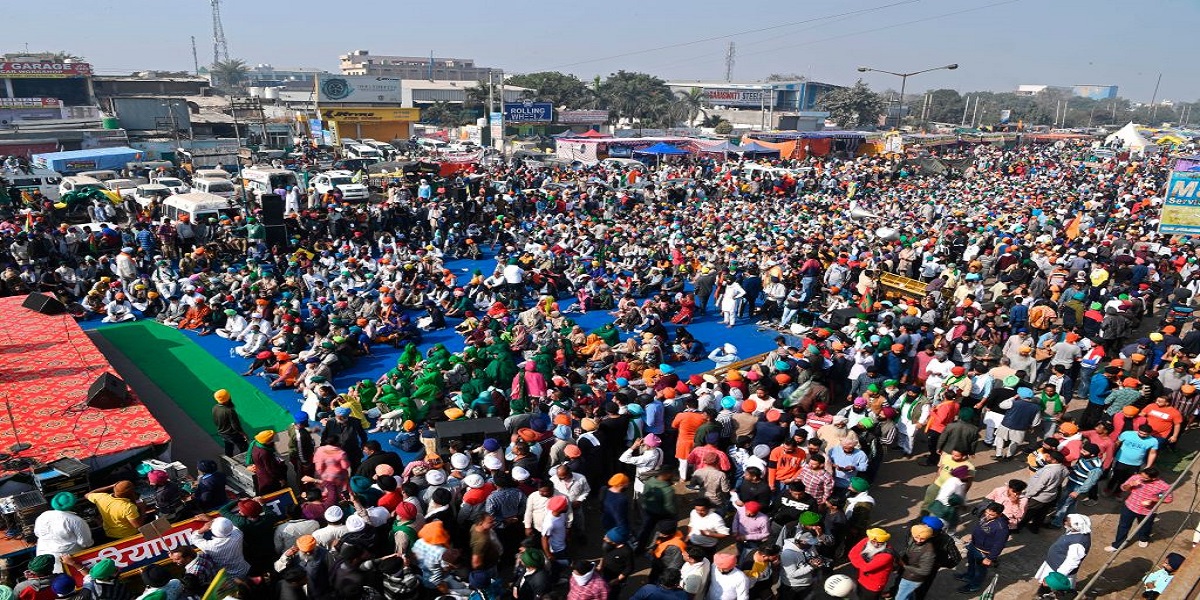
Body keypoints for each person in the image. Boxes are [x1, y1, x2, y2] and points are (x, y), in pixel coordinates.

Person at [1107, 467, 1173, 551]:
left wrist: (1153, 500)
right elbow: (1123, 488)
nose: (1141, 478)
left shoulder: (1163, 486)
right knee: (1123, 526)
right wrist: (1131, 484)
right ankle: (1117, 545)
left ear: (1154, 478)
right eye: (1141, 475)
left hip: (1147, 511)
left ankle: (1143, 538)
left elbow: (1167, 498)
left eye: (1145, 478)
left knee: (1145, 526)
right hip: (1129, 507)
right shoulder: (1136, 478)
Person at [955, 502, 1009, 593]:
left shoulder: (1001, 528)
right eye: (987, 512)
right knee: (971, 562)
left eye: (991, 515)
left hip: (984, 552)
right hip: (974, 545)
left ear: (999, 515)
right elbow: (979, 527)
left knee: (980, 571)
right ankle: (969, 576)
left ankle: (974, 586)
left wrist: (990, 558)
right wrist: (974, 536)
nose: (987, 515)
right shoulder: (985, 516)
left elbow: (999, 544)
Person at [1033, 514, 1092, 591]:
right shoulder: (1077, 532)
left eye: (1068, 522)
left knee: (1051, 589)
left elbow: (1071, 562)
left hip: (1058, 571)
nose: (1065, 523)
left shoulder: (1078, 543)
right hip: (1054, 564)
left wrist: (1056, 578)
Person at [32, 493, 92, 567]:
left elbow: (37, 533)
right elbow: (85, 543)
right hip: (66, 560)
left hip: (43, 556)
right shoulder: (76, 520)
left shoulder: (43, 515)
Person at [848, 528, 896, 600]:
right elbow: (851, 554)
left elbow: (866, 568)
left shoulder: (887, 555)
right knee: (860, 596)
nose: (876, 545)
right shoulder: (866, 540)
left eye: (880, 543)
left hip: (873, 586)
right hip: (861, 579)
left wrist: (857, 558)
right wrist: (860, 562)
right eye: (873, 542)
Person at [895, 524, 937, 600]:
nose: (919, 540)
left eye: (922, 539)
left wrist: (904, 566)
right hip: (908, 574)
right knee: (908, 595)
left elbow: (925, 571)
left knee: (900, 598)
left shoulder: (929, 551)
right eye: (916, 537)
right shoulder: (911, 539)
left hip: (913, 578)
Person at [212, 389, 249, 457]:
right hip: (233, 434)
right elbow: (235, 426)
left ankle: (228, 461)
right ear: (228, 398)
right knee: (245, 449)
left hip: (222, 433)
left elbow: (216, 421)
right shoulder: (229, 411)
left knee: (228, 448)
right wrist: (243, 434)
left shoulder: (215, 408)